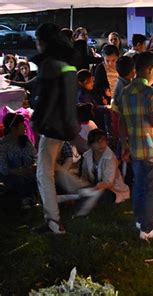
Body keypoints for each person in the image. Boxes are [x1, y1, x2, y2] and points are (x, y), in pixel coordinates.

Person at [113, 51, 153, 240]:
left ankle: (141, 219)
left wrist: (124, 144)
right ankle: (147, 229)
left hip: (135, 147)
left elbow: (122, 122)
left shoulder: (125, 91)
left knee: (139, 184)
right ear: (150, 70)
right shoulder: (151, 92)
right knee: (151, 188)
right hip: (152, 147)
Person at [30, 23, 81, 234]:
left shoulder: (50, 64)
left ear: (42, 41)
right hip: (61, 125)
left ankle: (53, 222)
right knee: (49, 168)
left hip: (51, 126)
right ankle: (83, 189)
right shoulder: (66, 62)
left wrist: (38, 119)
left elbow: (46, 98)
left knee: (44, 173)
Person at [75, 129, 130, 216]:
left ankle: (90, 201)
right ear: (91, 144)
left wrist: (94, 189)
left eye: (103, 141)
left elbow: (109, 182)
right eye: (97, 142)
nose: (101, 144)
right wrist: (85, 186)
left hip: (111, 188)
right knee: (81, 190)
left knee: (104, 195)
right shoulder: (87, 156)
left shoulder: (110, 157)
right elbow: (84, 175)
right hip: (94, 186)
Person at [0, 113, 37, 209]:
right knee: (20, 179)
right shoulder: (3, 144)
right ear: (13, 128)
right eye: (22, 124)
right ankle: (26, 200)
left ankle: (31, 198)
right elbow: (3, 168)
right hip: (10, 176)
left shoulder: (25, 140)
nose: (25, 126)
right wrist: (16, 171)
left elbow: (35, 156)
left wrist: (33, 166)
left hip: (27, 172)